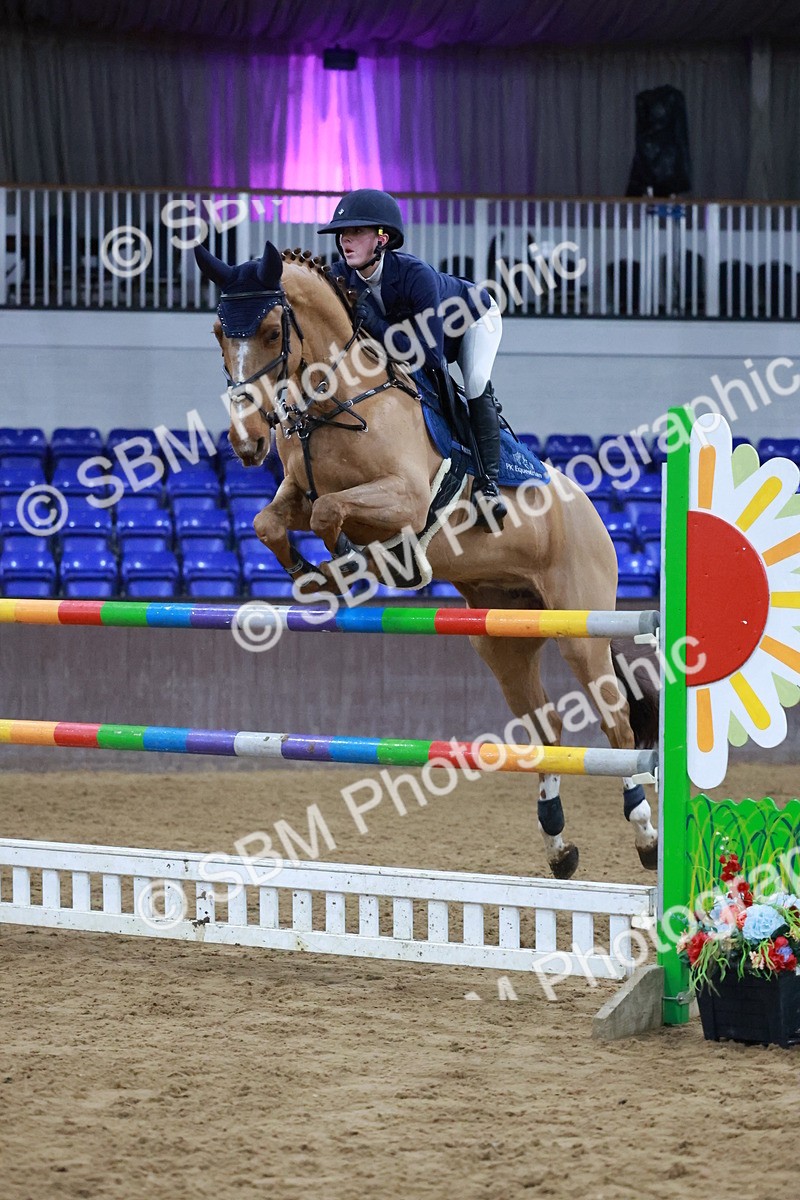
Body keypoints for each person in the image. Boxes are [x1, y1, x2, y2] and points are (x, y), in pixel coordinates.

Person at [319, 189, 507, 527]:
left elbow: (430, 356)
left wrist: (376, 323)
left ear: (382, 239)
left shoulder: (415, 275)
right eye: (342, 233)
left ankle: (488, 484)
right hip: (418, 337)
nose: (345, 240)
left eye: (356, 232)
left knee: (476, 381)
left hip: (472, 320)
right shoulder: (339, 277)